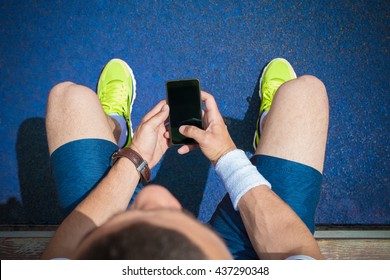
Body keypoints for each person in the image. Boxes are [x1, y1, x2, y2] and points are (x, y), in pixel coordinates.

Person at [41, 58, 328, 260]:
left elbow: (66, 255)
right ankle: (269, 126)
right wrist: (226, 156)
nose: (155, 198)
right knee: (304, 94)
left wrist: (133, 159)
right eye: (169, 211)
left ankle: (114, 128)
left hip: (120, 252)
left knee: (69, 98)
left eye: (149, 208)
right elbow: (297, 253)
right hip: (243, 260)